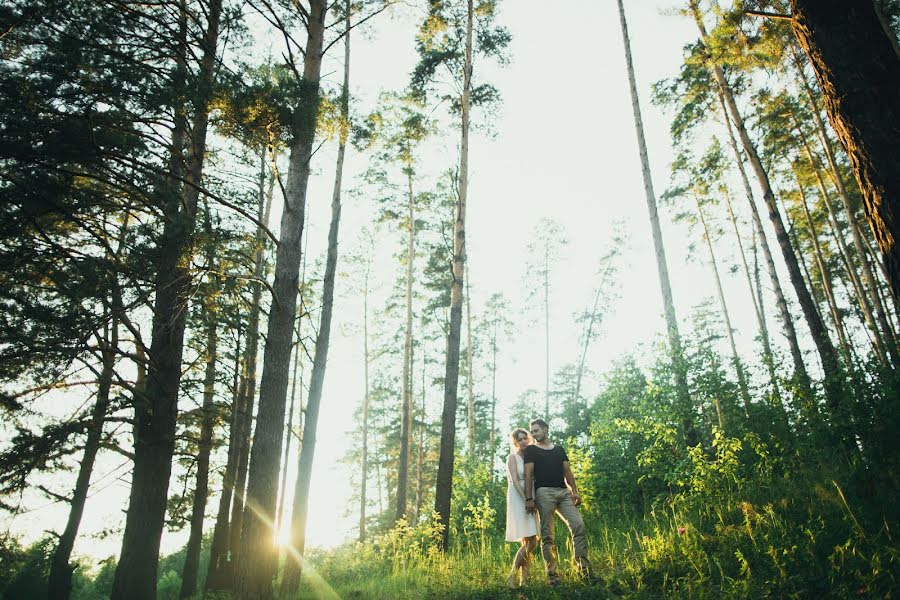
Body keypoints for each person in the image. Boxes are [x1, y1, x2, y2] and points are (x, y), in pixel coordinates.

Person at [524, 418, 591, 586]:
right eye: (532, 431)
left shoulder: (559, 450)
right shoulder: (531, 450)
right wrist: (528, 498)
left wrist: (575, 491)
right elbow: (528, 475)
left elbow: (568, 472)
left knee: (578, 526)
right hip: (544, 493)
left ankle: (584, 571)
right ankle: (553, 575)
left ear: (545, 429)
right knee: (548, 535)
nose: (533, 434)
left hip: (563, 492)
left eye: (536, 430)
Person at [504, 428, 539, 588]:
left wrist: (532, 497)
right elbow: (515, 481)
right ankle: (512, 575)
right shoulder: (513, 457)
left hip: (531, 495)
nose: (524, 441)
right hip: (519, 498)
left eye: (526, 438)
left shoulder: (532, 456)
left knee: (529, 540)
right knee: (531, 542)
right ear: (515, 442)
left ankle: (523, 581)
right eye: (520, 439)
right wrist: (526, 499)